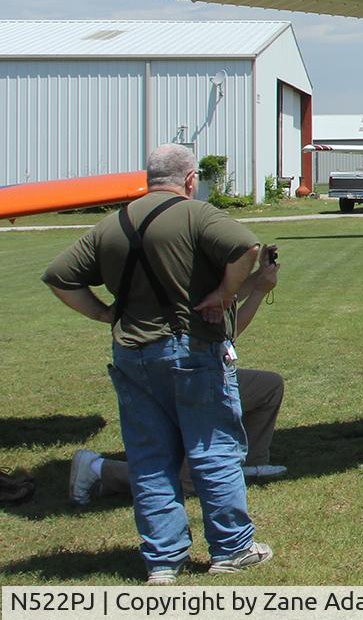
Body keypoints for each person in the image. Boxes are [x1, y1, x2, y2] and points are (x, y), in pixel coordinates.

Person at [41, 144, 273, 584]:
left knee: (150, 459)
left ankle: (163, 560)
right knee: (213, 450)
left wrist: (103, 313)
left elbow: (58, 276)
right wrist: (225, 295)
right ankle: (233, 547)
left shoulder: (112, 224)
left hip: (131, 354)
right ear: (190, 180)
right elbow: (245, 247)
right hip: (190, 351)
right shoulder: (195, 215)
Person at [71, 248, 287, 502]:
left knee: (268, 387)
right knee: (192, 483)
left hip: (187, 374)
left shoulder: (182, 271)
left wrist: (259, 276)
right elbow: (227, 332)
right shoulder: (185, 280)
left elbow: (229, 296)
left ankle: (248, 463)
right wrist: (260, 291)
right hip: (187, 380)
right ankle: (98, 469)